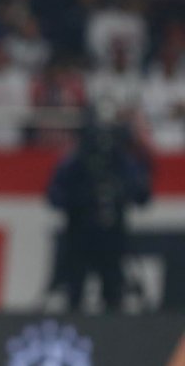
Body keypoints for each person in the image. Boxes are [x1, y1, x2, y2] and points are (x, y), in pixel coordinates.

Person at [47, 111, 151, 312]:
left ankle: (112, 335)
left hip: (112, 237)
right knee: (75, 290)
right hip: (80, 235)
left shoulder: (121, 161)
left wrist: (119, 192)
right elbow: (54, 195)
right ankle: (74, 331)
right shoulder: (76, 161)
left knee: (113, 289)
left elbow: (142, 195)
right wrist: (81, 199)